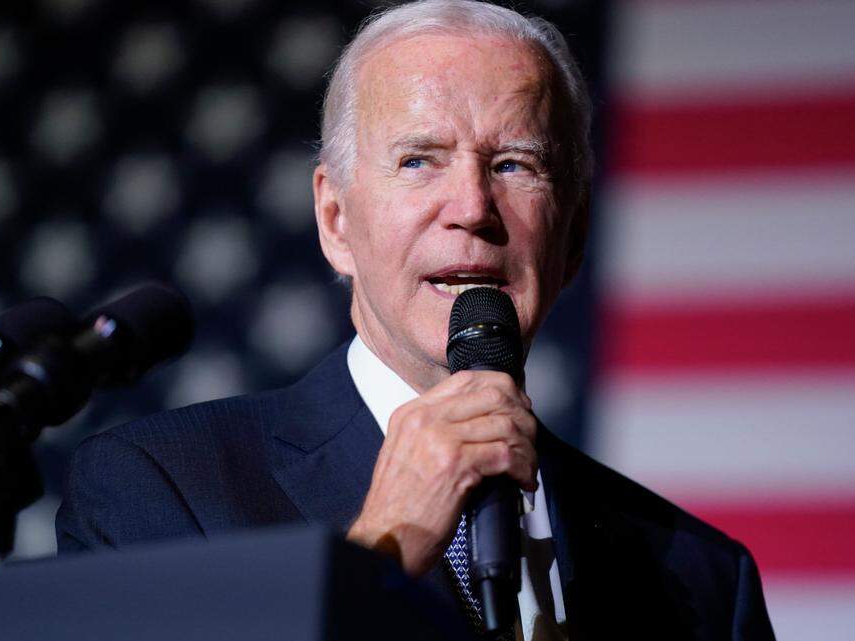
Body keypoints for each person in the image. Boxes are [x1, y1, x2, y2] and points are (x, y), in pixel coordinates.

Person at [56, 2, 776, 639]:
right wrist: (380, 552)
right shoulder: (157, 492)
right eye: (419, 160)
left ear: (575, 235)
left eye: (515, 165)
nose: (471, 206)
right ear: (335, 219)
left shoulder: (704, 578)